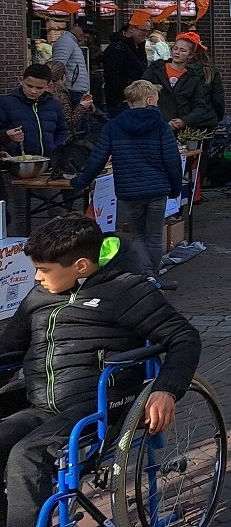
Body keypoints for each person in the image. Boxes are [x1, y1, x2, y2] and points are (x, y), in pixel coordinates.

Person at [0, 213, 201, 526]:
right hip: (43, 405)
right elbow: (8, 349)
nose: (36, 277)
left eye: (43, 270)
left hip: (101, 406)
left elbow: (184, 337)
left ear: (80, 265)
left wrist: (166, 389)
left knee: (26, 457)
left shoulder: (125, 290)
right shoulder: (38, 297)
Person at [69, 81, 181, 279]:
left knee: (137, 236)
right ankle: (152, 275)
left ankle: (145, 275)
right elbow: (172, 161)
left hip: (129, 191)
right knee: (154, 237)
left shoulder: (114, 126)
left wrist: (80, 181)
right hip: (157, 189)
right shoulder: (161, 127)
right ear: (149, 100)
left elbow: (98, 158)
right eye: (156, 98)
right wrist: (175, 188)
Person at [143, 33, 220, 135]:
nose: (177, 52)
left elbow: (200, 107)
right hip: (156, 126)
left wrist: (185, 120)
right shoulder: (155, 70)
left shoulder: (193, 79)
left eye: (182, 50)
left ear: (190, 55)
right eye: (175, 48)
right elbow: (141, 95)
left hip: (182, 130)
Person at [0, 64, 69, 158]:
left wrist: (55, 150)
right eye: (29, 86)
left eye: (39, 88)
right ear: (21, 81)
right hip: (15, 163)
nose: (33, 91)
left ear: (48, 87)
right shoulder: (5, 103)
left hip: (49, 163)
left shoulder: (54, 105)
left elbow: (62, 131)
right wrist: (6, 139)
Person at [101, 9, 152, 115]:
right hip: (122, 101)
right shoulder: (118, 47)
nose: (146, 34)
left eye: (148, 31)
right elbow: (111, 75)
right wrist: (126, 94)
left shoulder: (137, 47)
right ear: (132, 29)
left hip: (134, 98)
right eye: (143, 31)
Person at [49, 17, 92, 106]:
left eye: (90, 32)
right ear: (75, 26)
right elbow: (57, 67)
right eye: (85, 30)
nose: (87, 34)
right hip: (72, 91)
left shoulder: (71, 42)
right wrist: (60, 89)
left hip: (74, 90)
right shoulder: (66, 42)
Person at [45, 60, 93, 133]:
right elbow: (68, 122)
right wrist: (82, 106)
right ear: (63, 76)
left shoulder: (41, 91)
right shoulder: (60, 94)